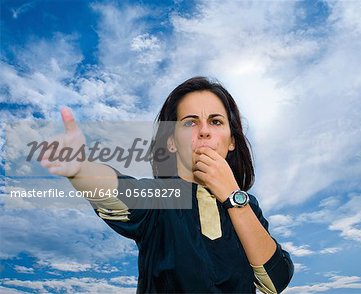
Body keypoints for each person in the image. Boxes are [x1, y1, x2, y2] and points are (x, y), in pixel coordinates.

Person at [40, 77, 294, 293]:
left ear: (231, 141)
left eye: (216, 122)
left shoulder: (247, 206)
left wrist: (232, 196)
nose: (204, 131)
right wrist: (79, 168)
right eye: (190, 122)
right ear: (171, 142)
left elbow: (275, 281)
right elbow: (117, 191)